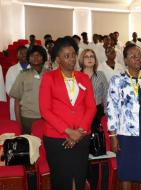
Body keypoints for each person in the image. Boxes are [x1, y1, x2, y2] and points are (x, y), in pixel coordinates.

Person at [39, 36, 96, 190]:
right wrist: (69, 131)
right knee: (62, 180)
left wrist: (79, 132)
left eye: (73, 55)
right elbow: (45, 110)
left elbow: (91, 108)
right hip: (57, 138)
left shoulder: (84, 78)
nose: (72, 59)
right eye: (66, 56)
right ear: (58, 59)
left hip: (81, 137)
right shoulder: (48, 78)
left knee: (79, 178)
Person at [107, 43, 141, 190]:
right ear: (125, 60)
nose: (137, 59)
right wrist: (113, 136)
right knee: (126, 171)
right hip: (125, 134)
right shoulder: (117, 80)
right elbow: (112, 108)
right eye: (133, 56)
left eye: (139, 56)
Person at [9, 45, 48, 134]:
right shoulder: (22, 75)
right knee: (28, 145)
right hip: (27, 118)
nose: (35, 57)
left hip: (46, 118)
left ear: (43, 58)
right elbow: (17, 101)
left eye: (38, 55)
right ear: (28, 59)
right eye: (32, 55)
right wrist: (19, 123)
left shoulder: (49, 74)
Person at [79, 48, 108, 123]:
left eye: (92, 56)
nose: (89, 59)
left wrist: (107, 113)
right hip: (81, 112)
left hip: (98, 112)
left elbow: (106, 95)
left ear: (95, 60)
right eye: (86, 57)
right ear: (82, 60)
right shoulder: (76, 76)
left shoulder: (101, 75)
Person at [5, 46, 30, 120]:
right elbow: (8, 89)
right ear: (17, 55)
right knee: (17, 128)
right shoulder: (11, 70)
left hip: (31, 104)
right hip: (16, 103)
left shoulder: (34, 68)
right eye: (21, 53)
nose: (23, 55)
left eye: (25, 53)